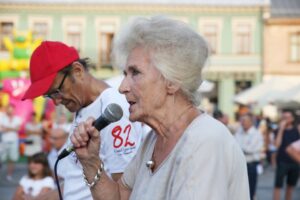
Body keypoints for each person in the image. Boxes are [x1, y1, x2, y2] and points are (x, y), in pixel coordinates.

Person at [70, 16, 250, 200]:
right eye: (125, 74)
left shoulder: (204, 142)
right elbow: (119, 197)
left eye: (135, 73)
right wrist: (91, 162)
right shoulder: (154, 140)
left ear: (172, 81)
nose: (122, 87)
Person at [22, 40, 143, 200]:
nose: (56, 101)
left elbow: (125, 191)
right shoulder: (83, 106)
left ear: (77, 71)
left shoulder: (112, 110)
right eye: (49, 96)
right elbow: (76, 183)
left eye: (57, 91)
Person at [235, 113, 264, 200]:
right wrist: (241, 148)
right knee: (238, 190)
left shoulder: (256, 134)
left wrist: (240, 148)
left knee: (250, 190)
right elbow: (234, 146)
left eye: (244, 121)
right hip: (239, 164)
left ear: (251, 122)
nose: (242, 123)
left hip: (251, 165)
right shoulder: (239, 132)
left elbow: (250, 149)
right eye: (241, 120)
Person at [273, 109, 300, 200]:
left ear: (292, 118)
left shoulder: (297, 129)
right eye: (283, 117)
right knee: (278, 186)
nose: (285, 119)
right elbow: (276, 145)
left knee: (290, 186)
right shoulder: (278, 130)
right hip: (282, 161)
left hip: (295, 162)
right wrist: (281, 129)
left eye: (287, 117)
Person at [0, 104, 22, 181]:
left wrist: (7, 128)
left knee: (12, 159)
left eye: (12, 109)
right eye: (9, 109)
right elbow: (1, 129)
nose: (10, 111)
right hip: (3, 141)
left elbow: (18, 128)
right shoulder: (2, 118)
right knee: (1, 158)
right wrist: (12, 128)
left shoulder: (17, 118)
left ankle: (9, 175)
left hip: (13, 141)